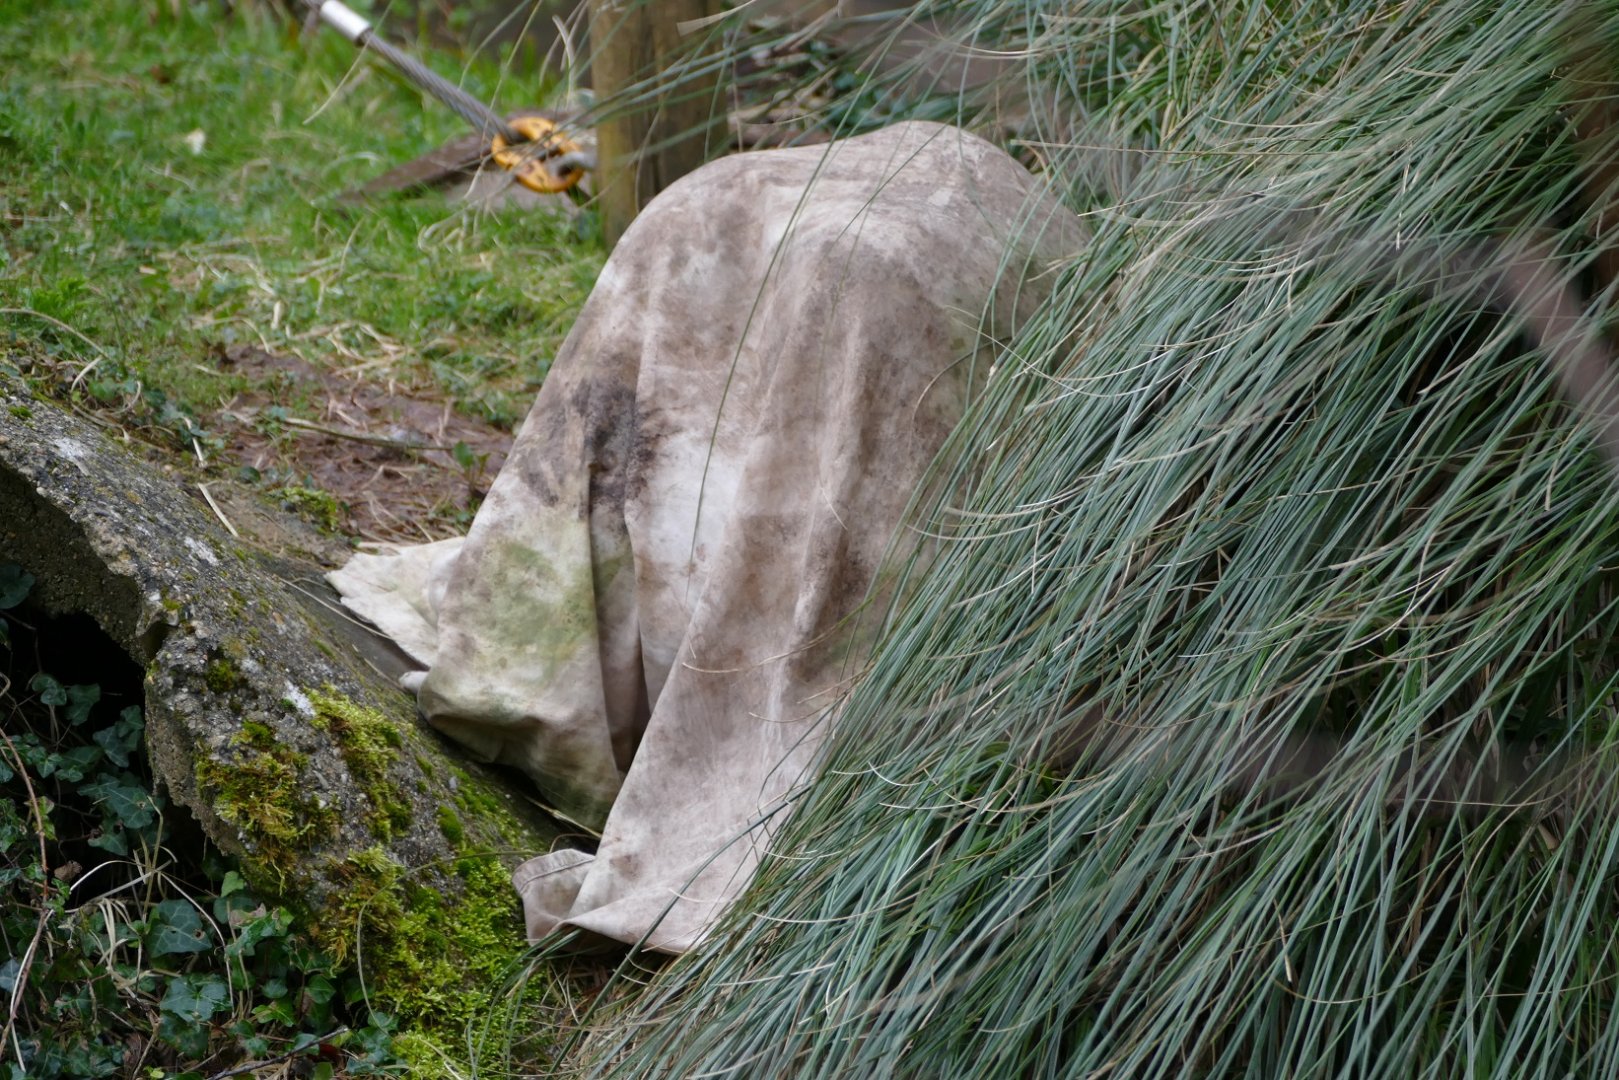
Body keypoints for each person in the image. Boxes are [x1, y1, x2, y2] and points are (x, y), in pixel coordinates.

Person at [330, 120, 1078, 952]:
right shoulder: (704, 225)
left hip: (920, 255)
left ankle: (723, 699)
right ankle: (648, 659)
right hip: (749, 231)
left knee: (835, 272)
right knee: (708, 224)